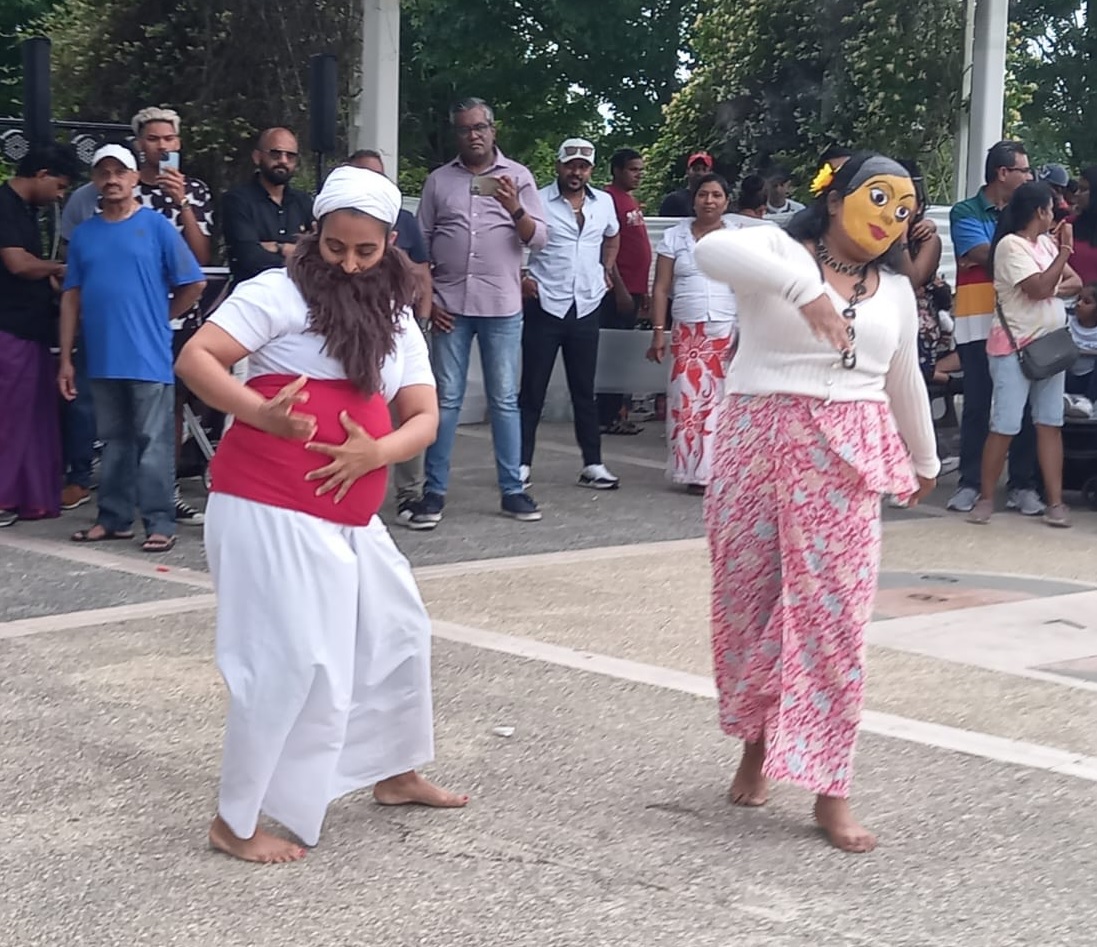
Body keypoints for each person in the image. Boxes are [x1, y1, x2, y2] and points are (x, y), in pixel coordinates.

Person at [174, 166, 467, 864]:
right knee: (288, 659)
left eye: (365, 251)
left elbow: (422, 416)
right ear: (317, 235)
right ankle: (234, 820)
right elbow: (197, 358)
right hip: (267, 505)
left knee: (396, 631)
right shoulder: (274, 292)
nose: (348, 263)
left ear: (390, 244)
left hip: (350, 516)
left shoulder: (397, 316)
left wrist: (377, 454)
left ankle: (392, 772)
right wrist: (260, 413)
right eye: (335, 247)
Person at [695, 153, 939, 853]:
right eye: (877, 196)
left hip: (845, 455)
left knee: (832, 623)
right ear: (833, 199)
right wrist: (806, 291)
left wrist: (921, 457)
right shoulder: (774, 248)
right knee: (747, 604)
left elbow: (903, 376)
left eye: (902, 208)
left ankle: (831, 788)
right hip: (755, 440)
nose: (889, 215)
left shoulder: (893, 288)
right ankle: (757, 742)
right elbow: (711, 247)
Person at [58, 144, 207, 553]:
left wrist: (162, 318)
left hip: (147, 355)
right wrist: (66, 357)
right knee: (113, 441)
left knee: (152, 441)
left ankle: (159, 521)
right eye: (103, 173)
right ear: (95, 180)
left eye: (119, 172)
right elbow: (71, 296)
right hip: (101, 355)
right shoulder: (85, 234)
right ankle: (114, 518)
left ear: (133, 177)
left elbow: (193, 283)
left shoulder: (157, 226)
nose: (111, 180)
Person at [409, 97, 547, 527]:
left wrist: (514, 208)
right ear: (457, 134)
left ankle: (513, 491)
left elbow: (539, 239)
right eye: (465, 128)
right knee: (446, 400)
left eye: (480, 127)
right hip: (451, 306)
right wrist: (429, 303)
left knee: (504, 401)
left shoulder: (518, 177)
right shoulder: (438, 181)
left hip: (502, 307)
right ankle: (433, 492)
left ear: (493, 130)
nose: (473, 135)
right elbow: (420, 245)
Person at [968, 181, 1080, 528]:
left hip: (1049, 346)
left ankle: (1056, 501)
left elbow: (1073, 282)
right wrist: (1064, 253)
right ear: (1039, 212)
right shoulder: (1010, 247)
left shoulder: (1045, 244)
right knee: (1004, 424)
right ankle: (986, 497)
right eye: (1051, 209)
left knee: (1050, 423)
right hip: (1014, 348)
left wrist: (1055, 272)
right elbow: (1038, 288)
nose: (1054, 215)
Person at [129, 107, 216, 526]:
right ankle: (129, 488)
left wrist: (182, 203)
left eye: (169, 139)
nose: (162, 146)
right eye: (153, 138)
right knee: (127, 405)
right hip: (132, 315)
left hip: (181, 315)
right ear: (138, 144)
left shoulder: (195, 190)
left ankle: (168, 490)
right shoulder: (122, 190)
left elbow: (201, 257)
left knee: (174, 403)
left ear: (179, 143)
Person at [520, 138, 621, 490]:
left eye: (583, 166)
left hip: (587, 303)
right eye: (570, 164)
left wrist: (607, 268)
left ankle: (592, 463)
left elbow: (612, 236)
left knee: (584, 389)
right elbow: (516, 239)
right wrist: (522, 275)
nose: (576, 171)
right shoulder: (536, 199)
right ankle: (520, 463)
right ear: (558, 165)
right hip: (546, 301)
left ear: (591, 169)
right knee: (532, 389)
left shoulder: (604, 202)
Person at [948, 140, 1042, 515]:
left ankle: (1022, 484)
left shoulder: (1029, 214)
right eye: (1024, 170)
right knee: (977, 404)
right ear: (1003, 173)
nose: (1030, 177)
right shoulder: (965, 212)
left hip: (1022, 325)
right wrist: (1024, 249)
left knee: (1023, 407)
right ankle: (970, 483)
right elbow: (983, 254)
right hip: (977, 323)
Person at [344, 148, 436, 530]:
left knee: (410, 407)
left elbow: (422, 272)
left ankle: (410, 493)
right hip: (345, 326)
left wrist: (423, 319)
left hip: (398, 327)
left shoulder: (405, 221)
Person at [0, 141, 81, 528]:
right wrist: (58, 268)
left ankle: (25, 495)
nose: (60, 196)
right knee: (10, 417)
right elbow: (16, 263)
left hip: (30, 324)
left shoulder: (27, 211)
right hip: (8, 325)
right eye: (60, 186)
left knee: (32, 416)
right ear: (42, 175)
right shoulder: (4, 205)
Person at [647, 174, 739, 493]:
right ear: (694, 199)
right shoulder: (675, 236)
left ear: (727, 202)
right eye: (703, 195)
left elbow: (749, 287)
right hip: (688, 334)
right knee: (687, 402)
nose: (709, 201)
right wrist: (659, 332)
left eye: (716, 195)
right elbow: (660, 288)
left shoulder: (738, 238)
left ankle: (717, 471)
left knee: (721, 403)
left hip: (726, 330)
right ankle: (692, 472)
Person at [599, 147, 652, 436]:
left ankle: (618, 411)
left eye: (640, 170)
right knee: (614, 353)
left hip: (633, 289)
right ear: (617, 170)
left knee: (623, 353)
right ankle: (607, 415)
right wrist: (618, 287)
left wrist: (641, 291)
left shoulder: (629, 200)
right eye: (633, 169)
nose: (638, 174)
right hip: (617, 291)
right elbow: (608, 246)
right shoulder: (608, 199)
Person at [220, 127, 314, 284]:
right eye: (276, 154)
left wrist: (277, 247)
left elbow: (317, 257)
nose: (283, 160)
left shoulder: (303, 201)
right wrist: (292, 253)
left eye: (290, 156)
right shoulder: (237, 200)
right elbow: (249, 258)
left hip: (297, 298)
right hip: (252, 298)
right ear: (257, 157)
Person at [1066, 282, 1097, 401]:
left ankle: (1089, 403)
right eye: (1078, 299)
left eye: (1087, 302)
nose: (1079, 304)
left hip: (1090, 379)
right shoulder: (1066, 321)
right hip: (1067, 376)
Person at [658, 151, 713, 217]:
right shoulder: (673, 200)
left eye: (704, 169)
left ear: (710, 173)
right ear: (687, 171)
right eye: (696, 169)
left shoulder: (714, 201)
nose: (700, 173)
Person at [1068, 167, 1097, 285]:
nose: (1077, 194)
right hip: (1067, 298)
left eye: (1084, 189)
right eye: (1078, 188)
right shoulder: (1068, 225)